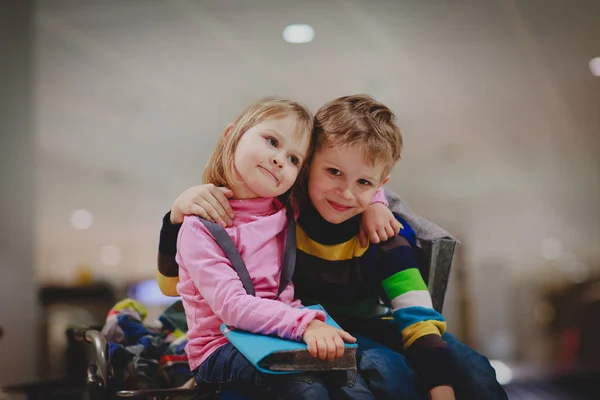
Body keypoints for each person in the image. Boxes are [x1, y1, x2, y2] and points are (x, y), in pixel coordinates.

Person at [161, 95, 507, 400]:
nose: (345, 193)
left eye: (363, 184)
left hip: (355, 324)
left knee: (474, 370)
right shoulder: (287, 209)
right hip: (295, 326)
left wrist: (376, 202)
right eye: (333, 172)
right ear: (311, 167)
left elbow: (417, 318)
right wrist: (177, 212)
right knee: (380, 372)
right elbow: (172, 284)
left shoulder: (379, 230)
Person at [174, 97, 377, 399]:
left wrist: (377, 203)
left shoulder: (289, 211)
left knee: (352, 382)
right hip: (220, 347)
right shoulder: (201, 227)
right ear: (232, 135)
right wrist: (305, 324)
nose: (281, 160)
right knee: (306, 387)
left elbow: (353, 178)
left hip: (282, 335)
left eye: (294, 159)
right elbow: (232, 306)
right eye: (271, 141)